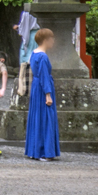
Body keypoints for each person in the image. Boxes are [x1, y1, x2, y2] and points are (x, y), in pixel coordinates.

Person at [24, 28, 60, 161]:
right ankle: (46, 152)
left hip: (36, 87)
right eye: (51, 38)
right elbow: (45, 76)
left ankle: (35, 150)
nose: (53, 40)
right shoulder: (43, 57)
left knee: (36, 117)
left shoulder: (34, 53)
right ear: (46, 40)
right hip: (43, 88)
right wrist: (48, 94)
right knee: (46, 118)